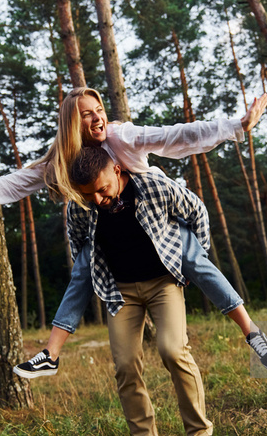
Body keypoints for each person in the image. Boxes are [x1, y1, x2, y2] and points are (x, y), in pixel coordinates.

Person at [0, 87, 267, 376]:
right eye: (87, 114)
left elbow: (174, 135)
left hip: (157, 219)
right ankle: (50, 354)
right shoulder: (65, 158)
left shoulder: (120, 136)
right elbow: (21, 180)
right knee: (81, 268)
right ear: (71, 123)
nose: (98, 118)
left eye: (99, 110)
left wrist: (237, 125)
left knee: (197, 261)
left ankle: (252, 333)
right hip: (113, 237)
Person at [68, 146, 220, 434]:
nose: (97, 200)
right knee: (125, 365)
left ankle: (199, 431)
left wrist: (194, 262)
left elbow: (197, 210)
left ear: (116, 170)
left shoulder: (152, 185)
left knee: (172, 350)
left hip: (163, 283)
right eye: (89, 195)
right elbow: (76, 240)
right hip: (120, 291)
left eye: (101, 190)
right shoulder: (81, 203)